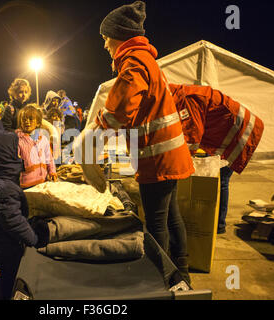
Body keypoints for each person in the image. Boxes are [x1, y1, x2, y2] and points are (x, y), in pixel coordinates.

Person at [94, 1, 194, 285]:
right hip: (170, 156)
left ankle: (159, 277)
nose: (105, 46)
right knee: (172, 217)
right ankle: (181, 274)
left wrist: (99, 124)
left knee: (156, 223)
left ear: (119, 36)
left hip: (157, 159)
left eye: (105, 39)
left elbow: (121, 109)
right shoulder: (147, 59)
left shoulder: (134, 62)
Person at [169, 83, 264, 234]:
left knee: (221, 180)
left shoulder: (188, 99)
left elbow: (192, 138)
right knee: (218, 179)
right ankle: (215, 223)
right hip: (227, 132)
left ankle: (218, 225)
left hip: (239, 133)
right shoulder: (181, 96)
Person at [0, 128, 49, 299]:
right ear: (5, 155)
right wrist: (33, 239)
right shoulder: (5, 188)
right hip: (5, 243)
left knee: (6, 270)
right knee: (12, 272)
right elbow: (13, 221)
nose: (18, 155)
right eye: (15, 151)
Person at [16, 104, 57, 189]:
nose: (27, 121)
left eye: (31, 119)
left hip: (43, 182)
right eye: (24, 119)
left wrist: (52, 171)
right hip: (26, 185)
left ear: (38, 123)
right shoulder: (17, 140)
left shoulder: (44, 139)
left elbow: (49, 158)